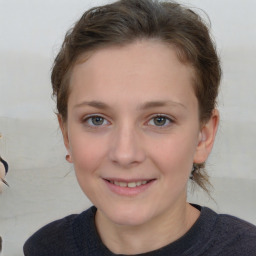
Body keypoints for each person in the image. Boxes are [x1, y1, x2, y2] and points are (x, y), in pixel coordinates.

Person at [23, 0, 256, 255]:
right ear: (67, 135)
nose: (125, 154)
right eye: (97, 120)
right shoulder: (45, 248)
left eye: (159, 120)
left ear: (203, 137)